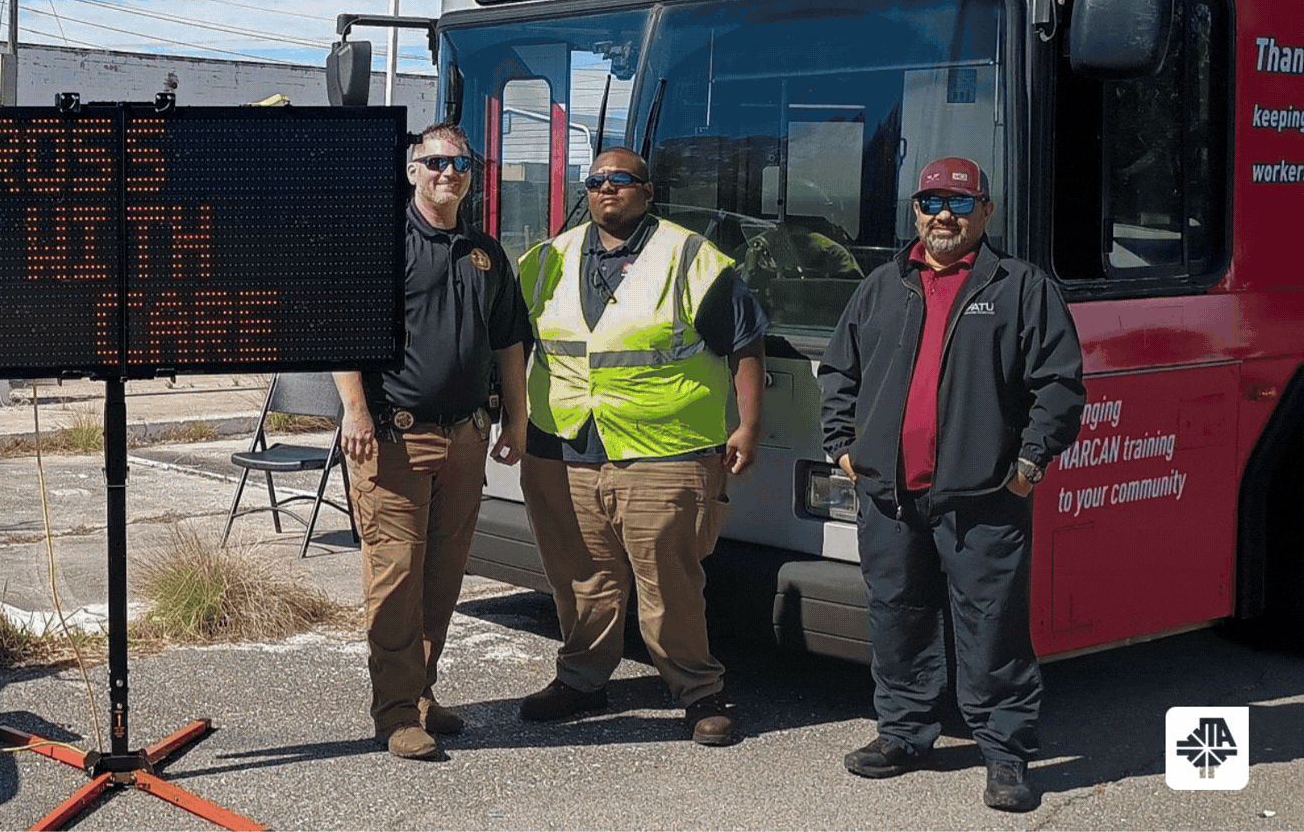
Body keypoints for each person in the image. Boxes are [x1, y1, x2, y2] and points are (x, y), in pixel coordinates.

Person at [818, 156, 1084, 811]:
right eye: (931, 201)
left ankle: (1006, 753)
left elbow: (1060, 385)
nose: (943, 214)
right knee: (898, 616)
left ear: (985, 212)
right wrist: (843, 448)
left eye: (960, 203)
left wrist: (1027, 465)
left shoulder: (1020, 286)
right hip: (891, 497)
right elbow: (838, 371)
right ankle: (905, 733)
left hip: (985, 499)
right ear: (915, 212)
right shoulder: (883, 285)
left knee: (992, 625)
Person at [515, 146, 766, 745]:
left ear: (647, 192)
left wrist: (749, 426)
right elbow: (512, 345)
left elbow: (745, 343)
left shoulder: (690, 257)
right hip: (563, 446)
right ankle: (582, 681)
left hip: (665, 450)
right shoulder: (545, 258)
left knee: (669, 582)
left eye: (622, 180)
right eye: (596, 180)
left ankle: (698, 692)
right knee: (580, 577)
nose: (607, 188)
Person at [333, 122, 532, 761]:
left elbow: (508, 342)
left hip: (468, 437)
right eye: (438, 162)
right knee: (395, 578)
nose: (450, 173)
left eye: (462, 164)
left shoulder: (486, 254)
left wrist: (518, 419)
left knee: (443, 577)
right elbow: (343, 335)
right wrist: (356, 412)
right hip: (393, 437)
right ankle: (393, 715)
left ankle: (420, 693)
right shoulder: (379, 244)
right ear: (414, 170)